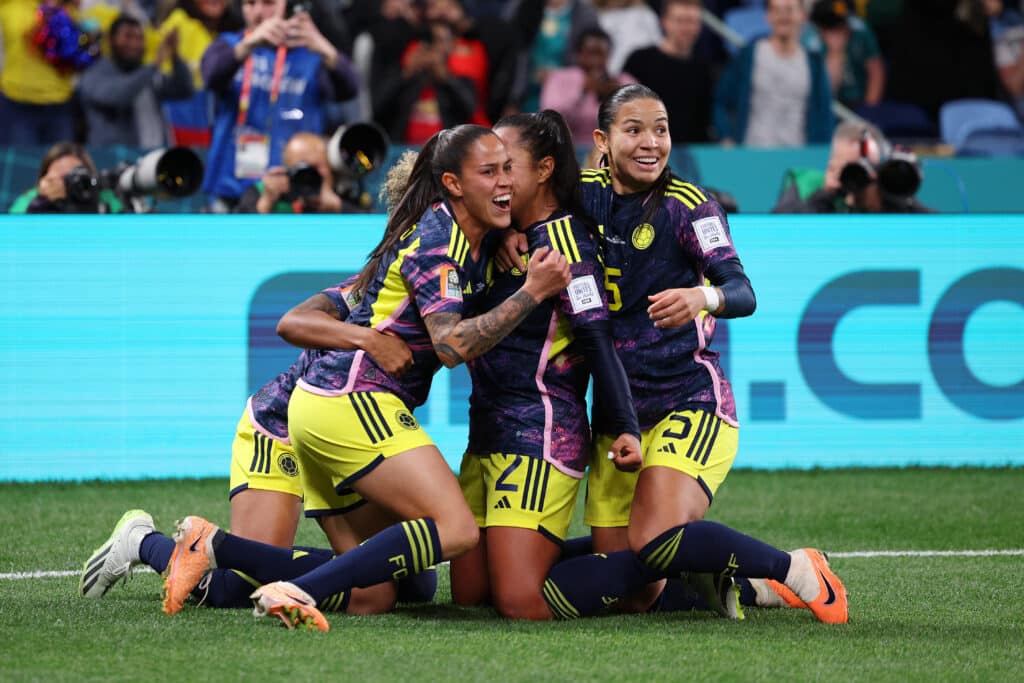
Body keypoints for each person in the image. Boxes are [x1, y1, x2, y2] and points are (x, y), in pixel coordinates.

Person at [159, 124, 573, 631]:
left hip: (319, 407)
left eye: (508, 169)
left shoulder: (467, 237)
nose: (505, 182)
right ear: (453, 184)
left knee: (375, 596)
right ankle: (292, 589)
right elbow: (449, 346)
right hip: (351, 401)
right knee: (457, 529)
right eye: (490, 172)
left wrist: (508, 234)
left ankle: (201, 546)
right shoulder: (437, 244)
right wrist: (532, 291)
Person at [80, 153, 436, 614]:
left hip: (358, 429)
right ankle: (144, 542)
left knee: (414, 582)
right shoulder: (377, 279)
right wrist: (368, 339)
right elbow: (294, 320)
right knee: (233, 587)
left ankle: (320, 567)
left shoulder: (455, 273)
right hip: (283, 421)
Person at [555, 84, 848, 623]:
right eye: (634, 130)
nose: (651, 143)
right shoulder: (578, 197)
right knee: (632, 590)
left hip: (688, 402)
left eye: (661, 129)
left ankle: (798, 568)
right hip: (617, 416)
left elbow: (742, 292)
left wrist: (701, 296)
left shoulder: (689, 206)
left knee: (653, 539)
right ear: (601, 140)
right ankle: (731, 580)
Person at [449, 111, 642, 620]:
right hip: (484, 430)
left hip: (539, 431)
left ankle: (693, 572)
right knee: (470, 596)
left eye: (507, 165)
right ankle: (626, 562)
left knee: (518, 601)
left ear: (544, 170)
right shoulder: (497, 232)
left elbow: (599, 337)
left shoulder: (567, 243)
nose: (497, 177)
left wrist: (624, 425)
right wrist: (498, 236)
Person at [199, 0, 359, 211]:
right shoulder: (230, 45)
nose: (257, 12)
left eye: (268, 3)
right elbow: (211, 75)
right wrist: (249, 44)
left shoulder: (311, 56)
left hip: (291, 190)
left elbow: (350, 88)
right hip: (231, 187)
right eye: (249, 3)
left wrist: (323, 46)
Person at [712, 0, 833, 146]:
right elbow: (720, 101)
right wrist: (726, 137)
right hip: (751, 155)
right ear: (767, 16)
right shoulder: (749, 55)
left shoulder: (814, 64)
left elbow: (825, 116)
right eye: (776, 10)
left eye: (789, 10)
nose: (783, 16)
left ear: (803, 15)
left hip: (799, 159)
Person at [78, 14, 193, 147]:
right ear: (110, 40)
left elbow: (185, 90)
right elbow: (120, 95)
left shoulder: (147, 74)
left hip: (155, 157)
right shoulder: (95, 73)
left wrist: (175, 56)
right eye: (128, 37)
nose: (134, 44)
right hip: (114, 160)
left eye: (139, 38)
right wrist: (155, 64)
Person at [772, 119, 933, 213]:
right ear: (832, 166)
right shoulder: (806, 185)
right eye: (852, 169)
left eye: (869, 168)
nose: (861, 178)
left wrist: (895, 201)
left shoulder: (886, 195)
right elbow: (775, 233)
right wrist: (824, 197)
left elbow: (939, 228)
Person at [0, 0, 100, 145]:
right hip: (17, 102)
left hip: (60, 105)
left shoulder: (72, 8)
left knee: (62, 163)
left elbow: (105, 24)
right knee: (22, 164)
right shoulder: (11, 6)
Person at [622, 0, 714, 143]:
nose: (686, 28)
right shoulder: (640, 60)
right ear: (664, 22)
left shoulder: (703, 69)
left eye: (691, 21)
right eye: (679, 21)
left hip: (689, 154)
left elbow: (704, 121)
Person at [157, 0, 245, 148]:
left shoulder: (235, 30)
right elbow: (163, 72)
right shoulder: (177, 23)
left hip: (225, 120)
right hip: (186, 120)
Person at [540, 27, 636, 145]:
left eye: (601, 54)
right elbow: (550, 119)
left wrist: (619, 98)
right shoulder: (560, 78)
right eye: (591, 53)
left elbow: (638, 117)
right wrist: (582, 92)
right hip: (570, 147)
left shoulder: (623, 80)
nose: (596, 60)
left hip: (611, 148)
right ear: (578, 54)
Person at [233, 131, 345, 213]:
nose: (309, 177)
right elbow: (240, 235)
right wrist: (266, 203)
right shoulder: (262, 193)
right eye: (302, 170)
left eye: (317, 167)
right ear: (287, 171)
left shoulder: (342, 193)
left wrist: (339, 208)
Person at [804, 0, 885, 111]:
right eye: (832, 26)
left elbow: (876, 70)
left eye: (842, 24)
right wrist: (835, 52)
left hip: (860, 100)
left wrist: (869, 108)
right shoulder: (810, 40)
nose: (839, 30)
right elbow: (824, 92)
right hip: (827, 105)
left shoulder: (860, 30)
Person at [7, 142, 124, 214]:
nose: (68, 181)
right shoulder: (33, 198)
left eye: (75, 174)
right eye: (60, 175)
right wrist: (41, 201)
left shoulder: (104, 195)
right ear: (45, 178)